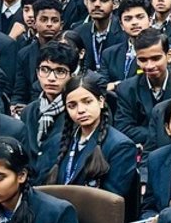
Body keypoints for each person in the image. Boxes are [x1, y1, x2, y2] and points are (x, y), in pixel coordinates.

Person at [34, 73, 139, 204]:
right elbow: (40, 189)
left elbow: (111, 201)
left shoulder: (120, 146)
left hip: (94, 219)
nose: (80, 110)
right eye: (72, 105)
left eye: (87, 102)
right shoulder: (56, 142)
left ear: (101, 101)